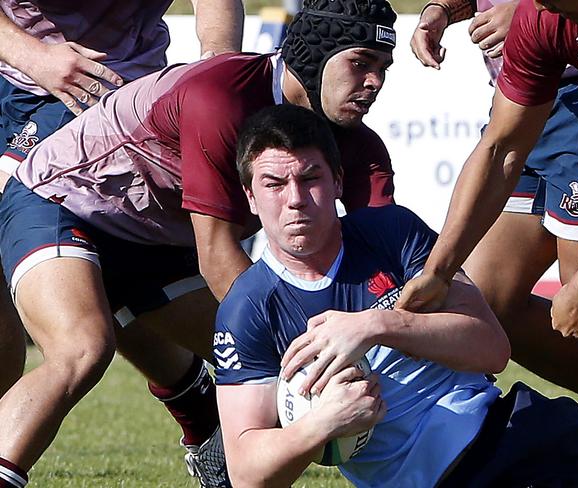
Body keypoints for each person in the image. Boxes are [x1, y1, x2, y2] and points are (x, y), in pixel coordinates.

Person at [0, 0, 398, 485]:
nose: (375, 83)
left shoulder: (360, 147)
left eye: (383, 68)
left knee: (272, 369)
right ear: (314, 55)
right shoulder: (221, 95)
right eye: (361, 63)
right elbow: (216, 257)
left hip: (152, 243)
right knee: (82, 348)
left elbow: (391, 259)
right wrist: (312, 353)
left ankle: (211, 441)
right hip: (63, 199)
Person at [214, 104, 578, 487]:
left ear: (337, 181)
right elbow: (246, 471)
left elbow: (491, 347)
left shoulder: (391, 232)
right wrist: (321, 426)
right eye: (274, 184)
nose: (295, 200)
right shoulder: (248, 308)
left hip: (512, 428)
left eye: (311, 178)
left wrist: (377, 325)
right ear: (251, 197)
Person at [0, 3, 245, 486]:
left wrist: (218, 67)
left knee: (92, 312)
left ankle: (204, 399)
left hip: (114, 102)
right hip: (19, 77)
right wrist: (35, 55)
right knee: (85, 320)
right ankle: (195, 399)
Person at [399, 0, 578, 415]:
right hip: (554, 98)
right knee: (486, 301)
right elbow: (500, 149)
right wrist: (437, 272)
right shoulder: (541, 17)